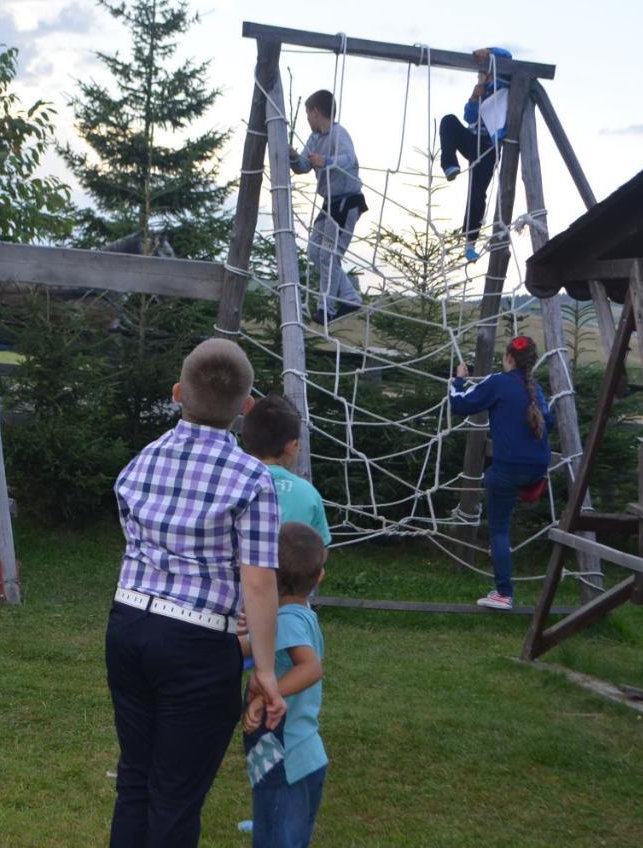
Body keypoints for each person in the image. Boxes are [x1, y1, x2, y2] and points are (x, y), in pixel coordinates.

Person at [107, 337, 287, 848]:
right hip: (196, 645)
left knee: (136, 781)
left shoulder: (140, 461)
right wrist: (267, 674)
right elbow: (258, 579)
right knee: (176, 797)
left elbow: (135, 542)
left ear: (176, 394)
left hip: (127, 628)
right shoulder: (253, 477)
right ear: (247, 408)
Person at [449, 335, 556, 609]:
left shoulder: (498, 382)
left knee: (499, 529)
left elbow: (460, 404)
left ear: (509, 358)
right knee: (505, 486)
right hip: (538, 467)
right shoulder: (536, 388)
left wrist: (458, 380)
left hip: (508, 469)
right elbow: (549, 422)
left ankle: (503, 593)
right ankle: (528, 488)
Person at [239, 522, 329, 848]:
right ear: (318, 577)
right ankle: (271, 822)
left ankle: (272, 825)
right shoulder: (298, 614)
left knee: (278, 836)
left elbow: (310, 668)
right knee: (290, 830)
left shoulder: (287, 620)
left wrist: (266, 696)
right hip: (304, 752)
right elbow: (248, 645)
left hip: (283, 755)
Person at [288, 89, 368, 323]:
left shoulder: (338, 133)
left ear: (315, 112)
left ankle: (327, 307)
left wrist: (327, 161)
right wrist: (293, 156)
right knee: (315, 251)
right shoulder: (314, 139)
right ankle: (350, 296)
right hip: (329, 203)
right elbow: (303, 165)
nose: (307, 119)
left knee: (328, 255)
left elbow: (350, 159)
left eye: (307, 114)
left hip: (346, 201)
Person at [439, 47, 514, 264]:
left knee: (476, 192)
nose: (483, 77)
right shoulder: (480, 90)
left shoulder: (504, 83)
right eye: (480, 74)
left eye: (485, 73)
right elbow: (469, 117)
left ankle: (470, 241)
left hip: (488, 147)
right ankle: (449, 164)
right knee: (449, 121)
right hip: (473, 141)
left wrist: (489, 51)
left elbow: (507, 57)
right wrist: (474, 95)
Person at [241, 394, 332, 545]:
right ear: (292, 446)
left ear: (246, 438)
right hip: (294, 568)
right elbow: (321, 549)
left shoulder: (232, 483)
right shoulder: (308, 493)